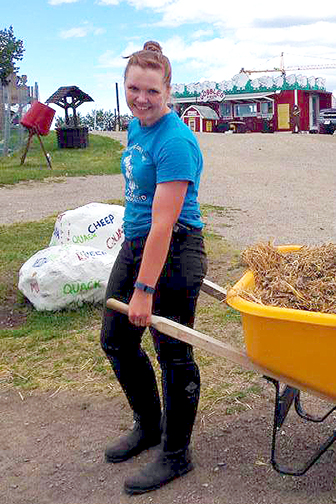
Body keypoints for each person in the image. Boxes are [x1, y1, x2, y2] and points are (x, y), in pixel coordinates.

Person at [100, 40, 207, 495]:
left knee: (173, 352)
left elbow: (164, 224)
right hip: (136, 244)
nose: (141, 99)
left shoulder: (177, 141)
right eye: (133, 89)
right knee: (117, 340)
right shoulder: (136, 127)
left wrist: (143, 289)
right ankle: (150, 425)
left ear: (169, 90)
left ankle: (176, 454)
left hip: (175, 251)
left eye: (151, 91)